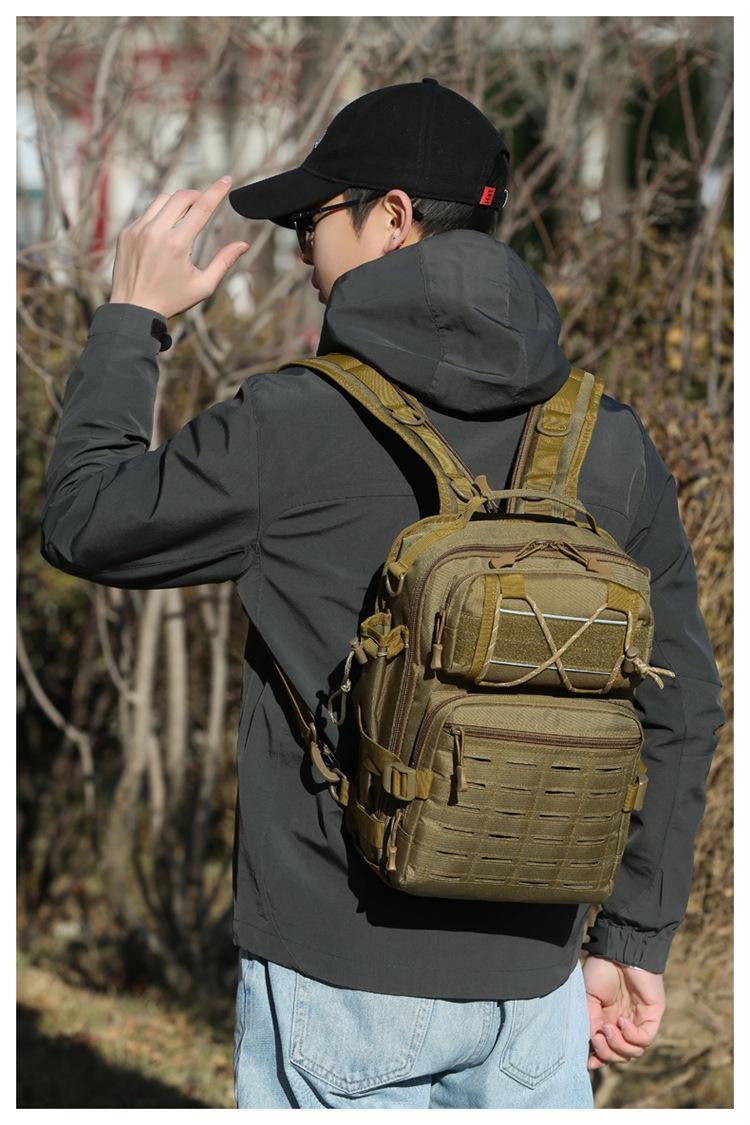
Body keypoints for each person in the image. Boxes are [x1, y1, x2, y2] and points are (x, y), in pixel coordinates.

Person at [40, 79, 724, 1109]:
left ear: (393, 216)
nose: (302, 256)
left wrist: (132, 318)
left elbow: (84, 519)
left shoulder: (289, 423)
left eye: (311, 223)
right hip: (535, 990)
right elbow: (682, 703)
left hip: (336, 975)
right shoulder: (608, 438)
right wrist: (632, 937)